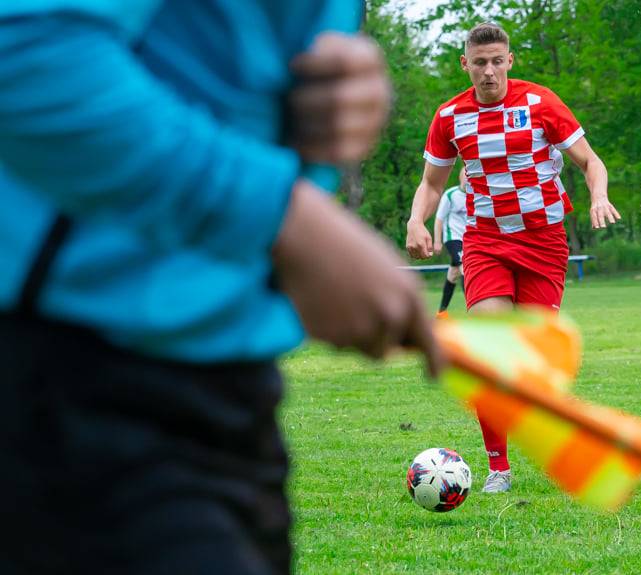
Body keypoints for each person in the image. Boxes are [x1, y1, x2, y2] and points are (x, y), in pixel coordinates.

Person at [0, 3, 440, 574]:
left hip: (229, 384)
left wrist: (336, 87)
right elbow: (27, 52)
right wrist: (282, 218)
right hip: (73, 374)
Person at [406, 22, 621, 493]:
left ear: (510, 60)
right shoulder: (449, 117)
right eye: (479, 62)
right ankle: (498, 468)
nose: (488, 71)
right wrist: (416, 221)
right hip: (486, 242)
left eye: (496, 61)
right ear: (465, 64)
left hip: (544, 243)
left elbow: (590, 161)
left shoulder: (540, 103)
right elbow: (432, 183)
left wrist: (599, 195)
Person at [433, 166, 468, 318]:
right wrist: (437, 241)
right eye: (466, 177)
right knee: (465, 269)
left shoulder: (476, 196)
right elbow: (439, 219)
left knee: (453, 274)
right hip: (452, 238)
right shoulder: (450, 195)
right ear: (461, 178)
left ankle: (441, 312)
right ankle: (473, 310)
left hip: (469, 240)